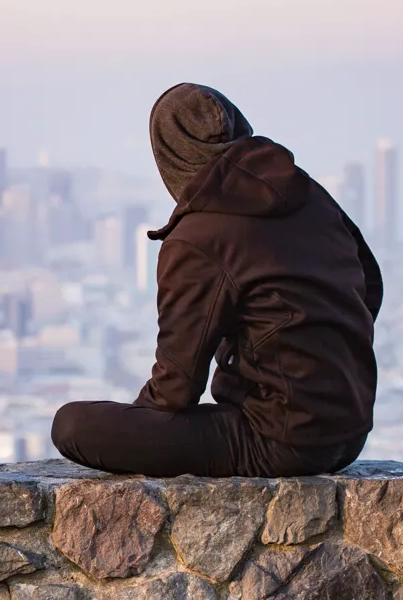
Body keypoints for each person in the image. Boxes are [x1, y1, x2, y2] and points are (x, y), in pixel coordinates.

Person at [51, 83, 382, 477]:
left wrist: (144, 427)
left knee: (71, 425)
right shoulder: (309, 194)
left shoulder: (197, 238)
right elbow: (370, 285)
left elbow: (175, 388)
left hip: (276, 441)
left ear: (170, 155)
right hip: (349, 433)